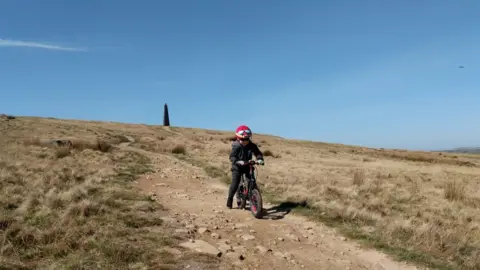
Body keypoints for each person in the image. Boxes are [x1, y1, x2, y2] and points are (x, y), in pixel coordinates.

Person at [227, 125, 264, 209]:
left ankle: (253, 194)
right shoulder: (236, 146)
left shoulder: (252, 145)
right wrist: (237, 161)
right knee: (235, 183)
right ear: (238, 138)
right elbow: (232, 156)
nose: (245, 141)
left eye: (247, 139)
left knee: (252, 180)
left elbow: (258, 153)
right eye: (243, 139)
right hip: (237, 166)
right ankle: (229, 199)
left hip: (248, 165)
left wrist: (260, 159)